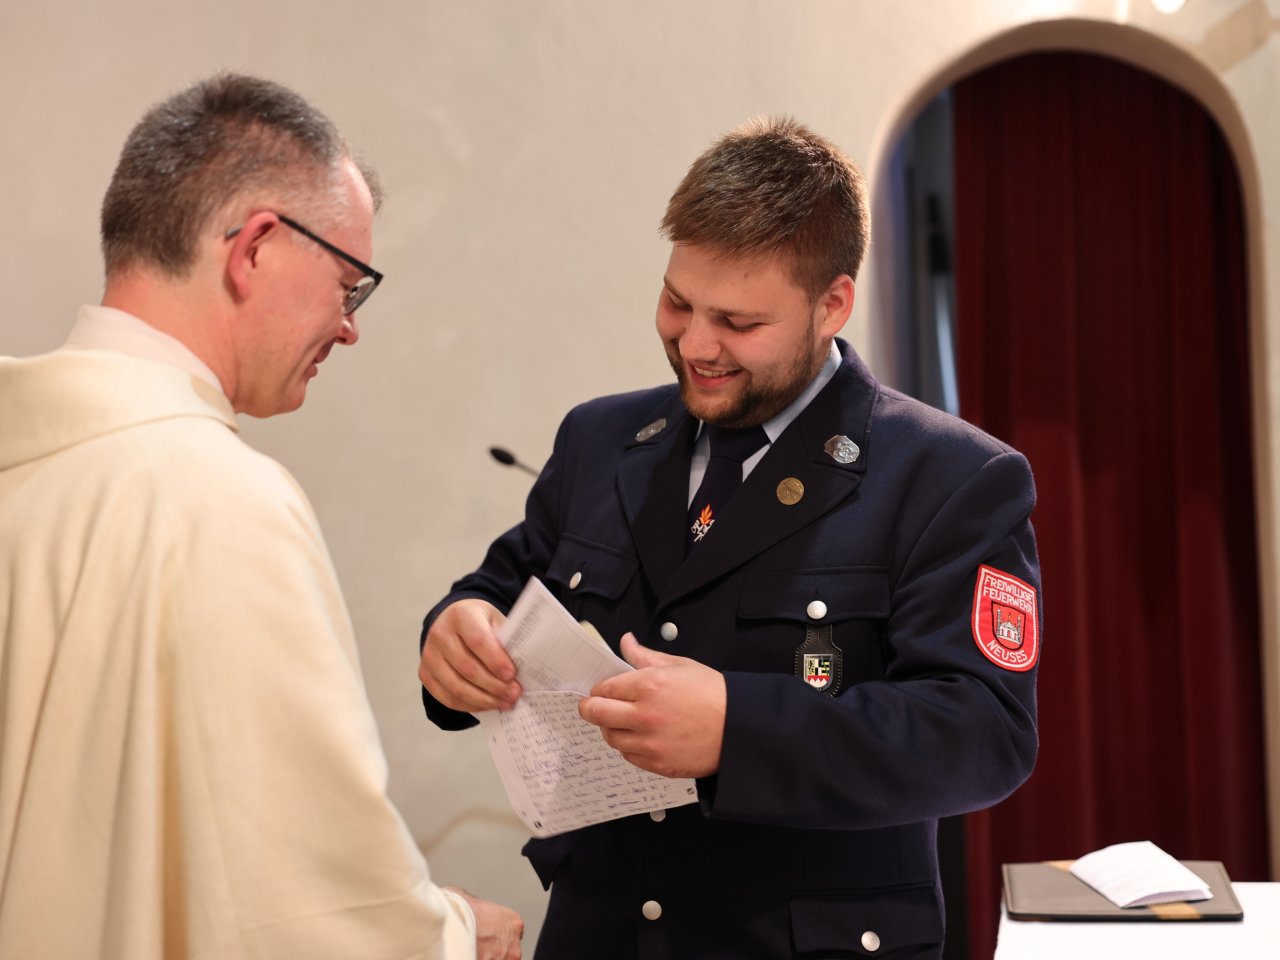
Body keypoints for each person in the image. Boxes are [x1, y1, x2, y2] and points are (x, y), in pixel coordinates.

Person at [418, 117, 1040, 959]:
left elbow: (981, 733)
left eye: (739, 322)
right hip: (601, 933)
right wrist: (455, 630)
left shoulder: (949, 477)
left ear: (833, 304)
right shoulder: (601, 440)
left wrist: (737, 730)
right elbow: (506, 586)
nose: (696, 345)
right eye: (678, 303)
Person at [0, 74, 522, 960]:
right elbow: (299, 904)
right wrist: (455, 934)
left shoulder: (29, 461)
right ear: (256, 249)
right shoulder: (219, 501)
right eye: (348, 286)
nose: (349, 329)